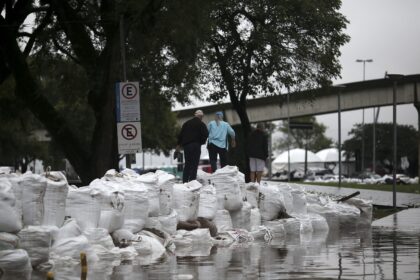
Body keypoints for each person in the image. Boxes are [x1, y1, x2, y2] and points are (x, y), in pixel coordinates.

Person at [177, 110, 208, 183]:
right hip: (196, 145)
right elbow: (206, 134)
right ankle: (192, 182)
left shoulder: (186, 123)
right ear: (201, 116)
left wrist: (178, 145)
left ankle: (184, 182)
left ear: (195, 115)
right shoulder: (201, 124)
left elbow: (181, 135)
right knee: (194, 164)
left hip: (187, 146)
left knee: (187, 164)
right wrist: (201, 142)